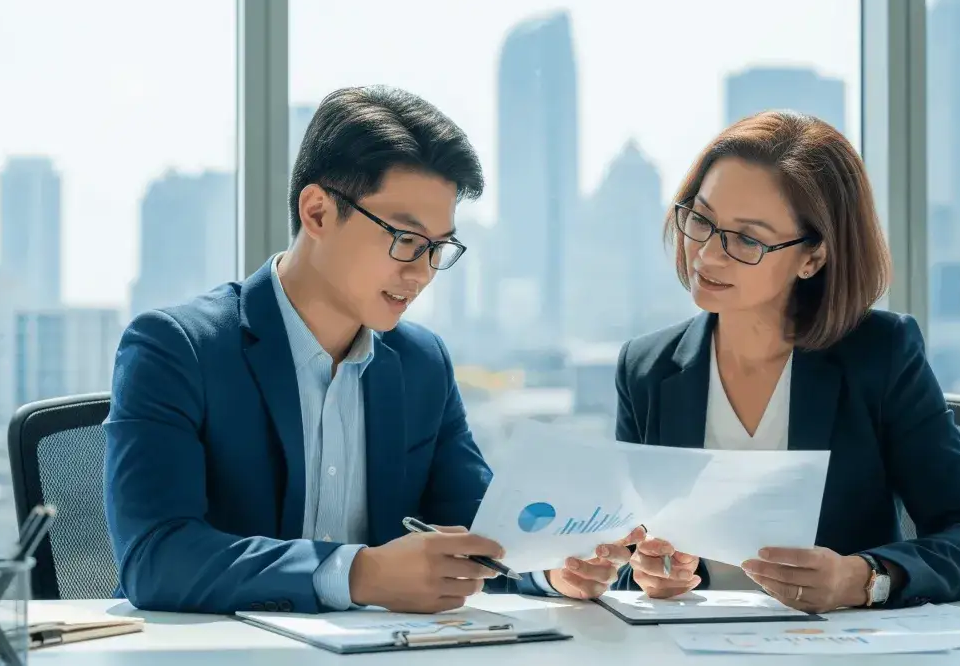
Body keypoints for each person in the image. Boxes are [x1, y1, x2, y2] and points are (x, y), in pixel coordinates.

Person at [103, 85, 629, 615]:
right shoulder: (177, 348)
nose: (421, 271)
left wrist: (553, 568)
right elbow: (155, 556)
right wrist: (358, 573)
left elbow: (480, 529)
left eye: (438, 248)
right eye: (404, 238)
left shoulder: (421, 364)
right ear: (318, 213)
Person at [612, 111, 960, 612]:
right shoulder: (648, 368)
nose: (707, 255)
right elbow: (634, 555)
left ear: (813, 258)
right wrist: (649, 572)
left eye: (748, 239)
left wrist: (864, 578)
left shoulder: (881, 354)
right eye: (701, 219)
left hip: (836, 645)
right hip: (686, 645)